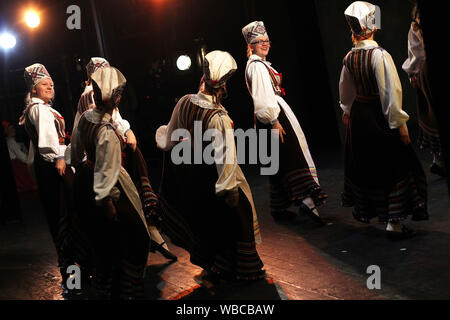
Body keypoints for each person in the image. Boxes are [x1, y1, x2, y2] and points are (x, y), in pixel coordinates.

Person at [156, 50, 265, 286]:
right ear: (223, 83)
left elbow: (169, 139)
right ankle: (238, 269)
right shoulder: (218, 117)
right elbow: (225, 158)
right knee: (238, 217)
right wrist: (230, 190)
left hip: (194, 178)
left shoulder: (185, 102)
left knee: (208, 221)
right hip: (214, 178)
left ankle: (215, 264)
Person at [67, 57, 176, 261]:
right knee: (124, 216)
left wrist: (127, 130)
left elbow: (113, 119)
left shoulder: (98, 109)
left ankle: (148, 231)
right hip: (105, 164)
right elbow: (95, 139)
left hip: (106, 158)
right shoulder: (92, 103)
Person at [339, 1, 428, 239]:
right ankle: (394, 223)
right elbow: (389, 92)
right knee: (395, 166)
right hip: (378, 117)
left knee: (372, 166)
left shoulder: (349, 57)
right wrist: (400, 125)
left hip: (360, 118)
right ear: (371, 27)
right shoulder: (379, 56)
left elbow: (346, 93)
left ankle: (385, 218)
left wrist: (347, 111)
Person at [71, 66, 150, 299]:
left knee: (100, 241)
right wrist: (107, 202)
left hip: (85, 180)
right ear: (116, 97)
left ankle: (104, 286)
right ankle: (123, 289)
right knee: (129, 236)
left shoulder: (85, 118)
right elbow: (107, 173)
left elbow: (75, 154)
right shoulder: (106, 131)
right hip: (103, 188)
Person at [242, 21, 327, 224]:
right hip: (272, 118)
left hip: (273, 116)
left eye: (266, 41)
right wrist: (273, 121)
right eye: (259, 41)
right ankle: (309, 204)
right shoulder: (256, 67)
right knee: (292, 159)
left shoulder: (260, 65)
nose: (264, 44)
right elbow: (263, 98)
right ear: (251, 45)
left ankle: (279, 208)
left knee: (278, 164)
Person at [19, 63, 89, 291]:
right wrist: (60, 158)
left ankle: (75, 276)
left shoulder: (37, 109)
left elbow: (35, 152)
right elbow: (48, 146)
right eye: (44, 84)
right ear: (34, 89)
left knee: (64, 221)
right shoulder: (39, 110)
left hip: (48, 167)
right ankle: (77, 277)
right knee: (67, 219)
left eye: (51, 83)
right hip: (54, 167)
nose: (50, 86)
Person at [402, 2, 445, 177]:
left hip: (426, 72)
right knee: (433, 115)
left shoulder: (415, 26)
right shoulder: (416, 26)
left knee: (432, 115)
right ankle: (439, 160)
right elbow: (417, 53)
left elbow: (415, 54)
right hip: (427, 72)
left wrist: (413, 73)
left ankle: (438, 159)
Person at [2, 120, 37, 192]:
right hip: (19, 168)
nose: (13, 130)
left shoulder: (10, 140)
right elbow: (23, 158)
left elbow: (19, 146)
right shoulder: (10, 141)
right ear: (6, 131)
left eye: (13, 128)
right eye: (10, 128)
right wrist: (28, 155)